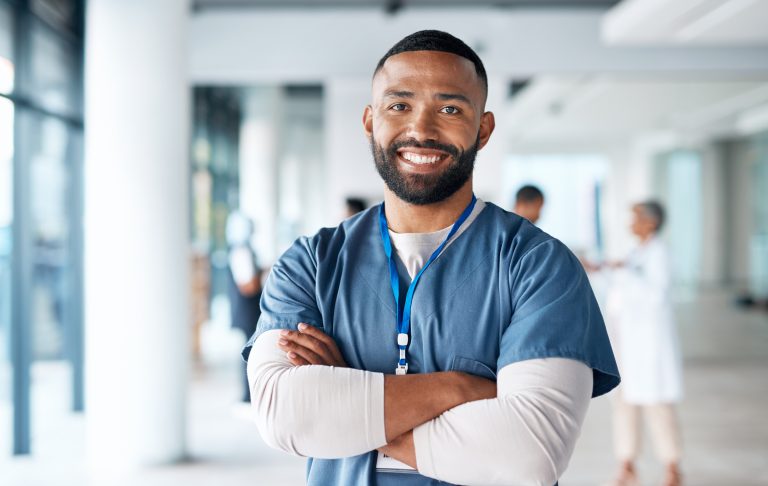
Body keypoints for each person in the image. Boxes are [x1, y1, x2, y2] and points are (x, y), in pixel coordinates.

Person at [243, 30, 620, 485]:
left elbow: (527, 456)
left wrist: (347, 397)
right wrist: (457, 387)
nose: (421, 129)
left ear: (483, 129)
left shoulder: (538, 265)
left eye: (449, 109)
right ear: (370, 121)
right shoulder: (311, 263)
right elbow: (283, 417)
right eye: (399, 105)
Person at [595, 202, 684, 486]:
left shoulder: (660, 253)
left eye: (635, 218)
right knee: (623, 403)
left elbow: (655, 294)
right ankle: (627, 464)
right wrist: (607, 268)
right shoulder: (637, 252)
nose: (630, 223)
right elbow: (622, 283)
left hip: (649, 343)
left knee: (657, 403)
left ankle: (672, 466)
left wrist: (622, 271)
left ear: (650, 223)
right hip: (625, 339)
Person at [226, 211, 263, 403]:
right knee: (249, 352)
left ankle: (249, 393)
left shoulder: (242, 249)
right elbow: (248, 286)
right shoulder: (241, 251)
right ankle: (248, 394)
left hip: (247, 311)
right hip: (247, 311)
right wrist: (264, 276)